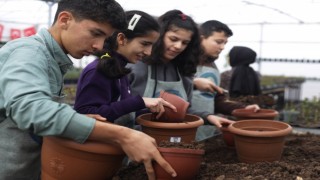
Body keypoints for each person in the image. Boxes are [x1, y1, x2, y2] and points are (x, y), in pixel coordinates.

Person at [0, 1, 176, 179]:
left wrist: (77, 118)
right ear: (65, 20)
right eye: (95, 33)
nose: (99, 46)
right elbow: (31, 110)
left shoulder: (52, 60)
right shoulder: (29, 53)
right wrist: (123, 135)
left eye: (105, 38)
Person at [127, 10, 233, 139]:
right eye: (173, 39)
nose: (178, 46)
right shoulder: (135, 67)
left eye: (185, 43)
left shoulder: (184, 72)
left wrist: (208, 117)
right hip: (134, 140)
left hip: (172, 141)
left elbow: (183, 111)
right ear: (158, 36)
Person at [74, 10, 176, 129]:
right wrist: (139, 102)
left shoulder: (118, 70)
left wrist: (149, 111)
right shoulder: (98, 71)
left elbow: (119, 112)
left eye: (151, 45)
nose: (149, 52)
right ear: (121, 39)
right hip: (98, 147)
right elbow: (85, 114)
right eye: (145, 43)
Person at [192, 20, 260, 141]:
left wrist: (243, 108)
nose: (222, 47)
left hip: (206, 131)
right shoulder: (184, 63)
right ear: (201, 38)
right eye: (218, 42)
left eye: (225, 43)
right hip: (184, 128)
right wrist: (194, 83)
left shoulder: (213, 67)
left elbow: (217, 101)